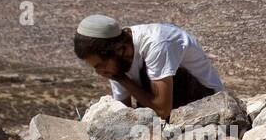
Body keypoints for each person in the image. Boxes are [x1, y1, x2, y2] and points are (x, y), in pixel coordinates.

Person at [72, 15, 224, 120]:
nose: (100, 72)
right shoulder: (116, 62)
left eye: (101, 65)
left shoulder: (156, 43)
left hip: (208, 102)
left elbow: (162, 110)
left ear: (118, 49)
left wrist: (121, 78)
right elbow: (123, 110)